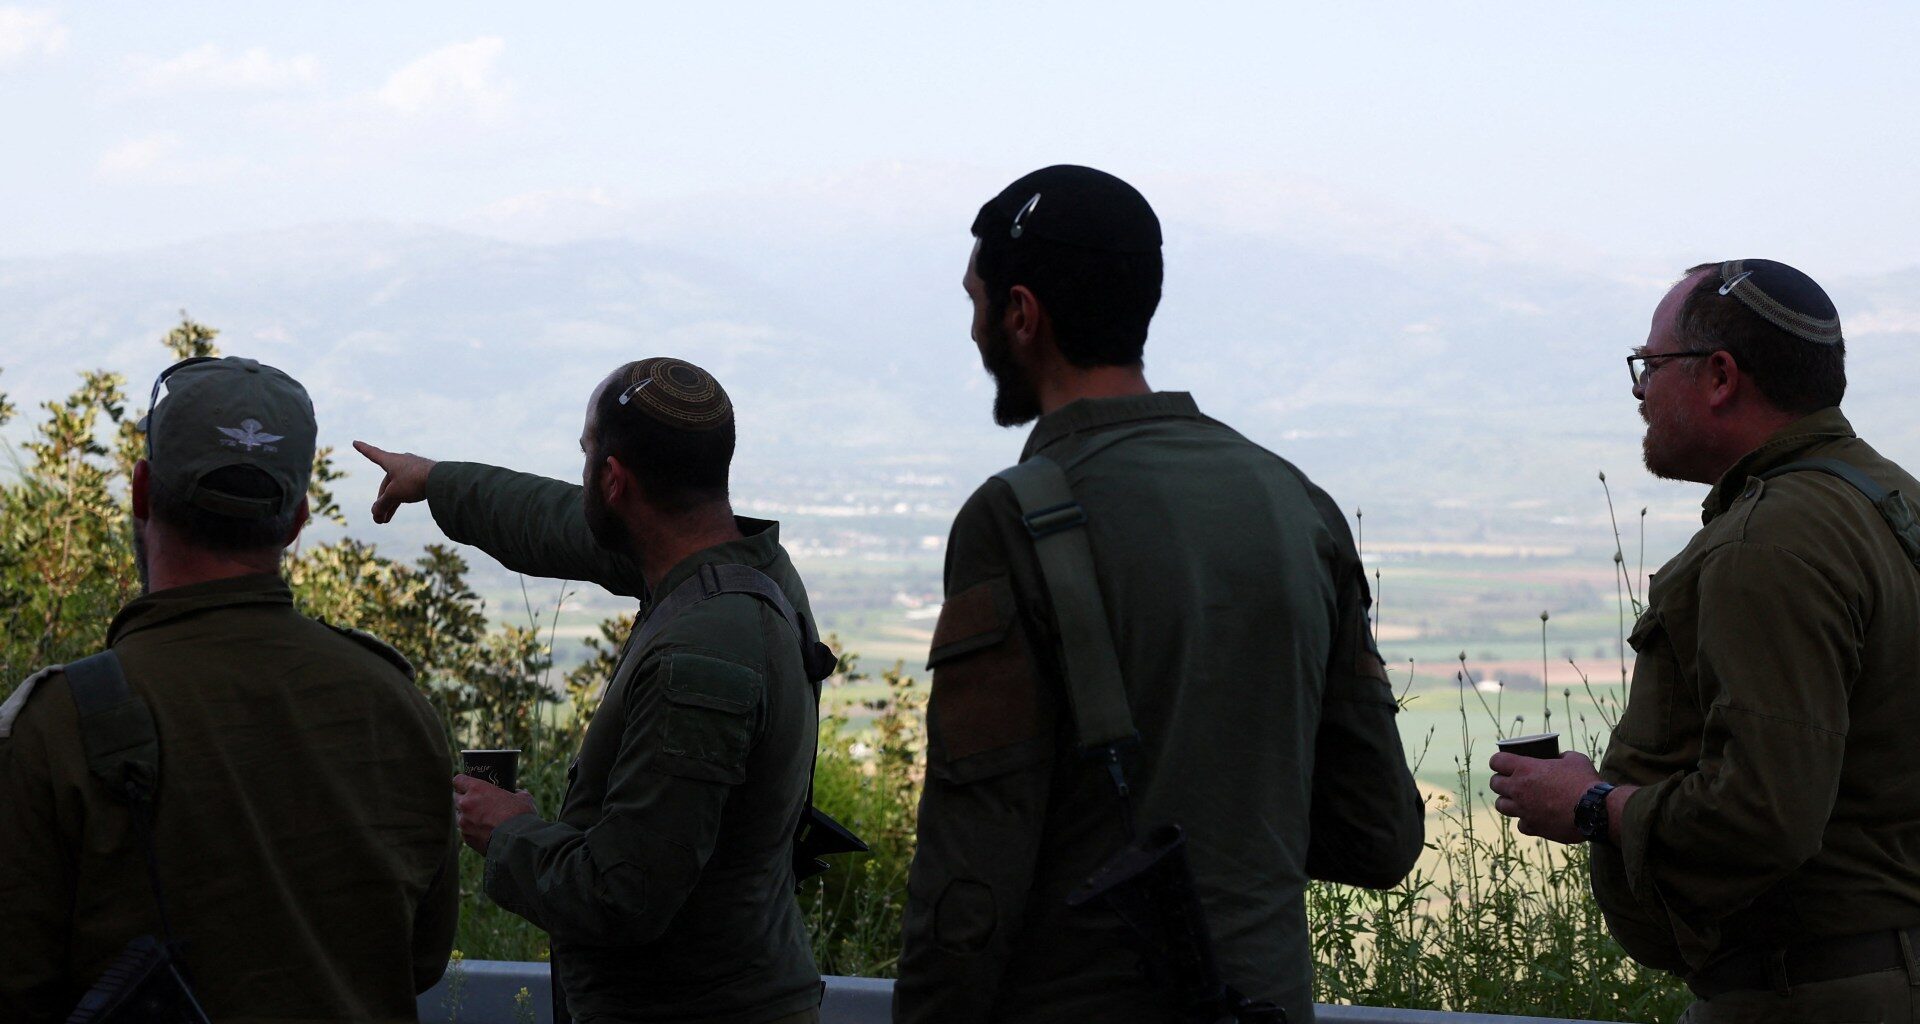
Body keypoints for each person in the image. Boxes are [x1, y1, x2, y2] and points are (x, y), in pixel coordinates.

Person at [894, 165, 1426, 1024]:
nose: (975, 331)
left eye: (978, 305)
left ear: (1022, 315)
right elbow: (1379, 835)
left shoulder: (1016, 516)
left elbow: (975, 861)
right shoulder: (1297, 502)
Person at [1490, 260, 1920, 1022]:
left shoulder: (1768, 543)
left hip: (1806, 994)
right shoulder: (1888, 501)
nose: (1642, 394)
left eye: (1650, 367)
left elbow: (1763, 814)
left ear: (1720, 376)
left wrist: (1590, 803)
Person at [355, 356, 823, 1024]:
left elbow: (624, 894)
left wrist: (511, 832)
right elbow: (550, 520)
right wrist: (436, 482)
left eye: (587, 458)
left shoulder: (702, 652)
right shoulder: (740, 567)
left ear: (612, 480)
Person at [0, 355, 459, 1022]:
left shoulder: (58, 726)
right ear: (298, 518)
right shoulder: (394, 704)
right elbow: (420, 960)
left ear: (141, 491)